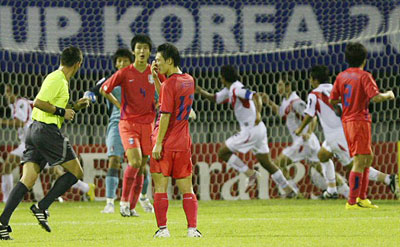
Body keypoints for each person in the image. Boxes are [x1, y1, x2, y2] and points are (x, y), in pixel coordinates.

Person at [0, 46, 90, 240]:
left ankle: (2, 223)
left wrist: (75, 107)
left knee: (28, 179)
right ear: (78, 64)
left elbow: (57, 108)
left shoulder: (59, 81)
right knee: (77, 172)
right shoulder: (57, 78)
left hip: (34, 132)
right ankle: (42, 206)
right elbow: (40, 102)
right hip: (45, 131)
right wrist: (62, 112)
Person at [296, 65, 399, 200]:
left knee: (356, 165)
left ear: (315, 80)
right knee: (322, 155)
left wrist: (300, 128)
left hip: (339, 136)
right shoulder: (337, 89)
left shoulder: (314, 94)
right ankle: (331, 190)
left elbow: (310, 115)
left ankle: (387, 179)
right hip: (343, 130)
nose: (310, 82)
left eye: (310, 79)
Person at [196, 65, 298, 198]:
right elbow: (214, 98)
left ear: (223, 78)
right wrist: (199, 91)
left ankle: (251, 174)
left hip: (251, 129)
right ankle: (288, 190)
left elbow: (255, 96)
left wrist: (258, 114)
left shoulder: (237, 88)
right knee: (266, 163)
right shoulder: (229, 89)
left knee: (222, 152)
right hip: (259, 129)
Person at [100, 35, 164, 217]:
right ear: (134, 51)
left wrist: (160, 105)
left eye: (145, 48)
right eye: (139, 48)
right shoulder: (125, 72)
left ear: (150, 51)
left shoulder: (155, 73)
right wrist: (119, 105)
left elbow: (164, 93)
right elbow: (104, 89)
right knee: (134, 162)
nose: (142, 51)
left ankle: (132, 207)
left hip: (148, 125)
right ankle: (123, 202)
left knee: (142, 166)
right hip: (128, 123)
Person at [329, 42, 395, 209]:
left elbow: (332, 99)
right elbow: (376, 97)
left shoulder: (341, 76)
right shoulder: (364, 76)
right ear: (364, 59)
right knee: (359, 160)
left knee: (367, 157)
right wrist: (389, 94)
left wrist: (343, 106)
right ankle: (352, 201)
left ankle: (363, 198)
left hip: (348, 121)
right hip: (359, 120)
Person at [87, 48, 154, 213]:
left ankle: (142, 198)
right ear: (115, 63)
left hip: (138, 123)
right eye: (119, 61)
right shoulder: (112, 79)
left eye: (125, 60)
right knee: (114, 161)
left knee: (141, 165)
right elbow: (93, 90)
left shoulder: (139, 78)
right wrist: (90, 97)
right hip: (117, 124)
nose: (122, 63)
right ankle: (110, 202)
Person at [150, 43, 200, 238]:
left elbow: (165, 113)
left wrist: (159, 143)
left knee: (160, 188)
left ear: (169, 61)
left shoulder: (169, 84)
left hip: (166, 143)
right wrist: (157, 78)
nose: (156, 63)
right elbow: (167, 95)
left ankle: (163, 230)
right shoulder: (189, 80)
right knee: (187, 188)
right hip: (183, 143)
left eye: (159, 60)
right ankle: (192, 230)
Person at [261, 75, 321, 196]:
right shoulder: (285, 102)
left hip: (304, 140)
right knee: (323, 169)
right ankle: (344, 190)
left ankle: (293, 193)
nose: (278, 88)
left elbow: (312, 117)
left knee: (278, 164)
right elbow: (281, 112)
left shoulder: (296, 102)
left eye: (280, 85)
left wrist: (308, 133)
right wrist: (268, 102)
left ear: (288, 86)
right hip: (305, 141)